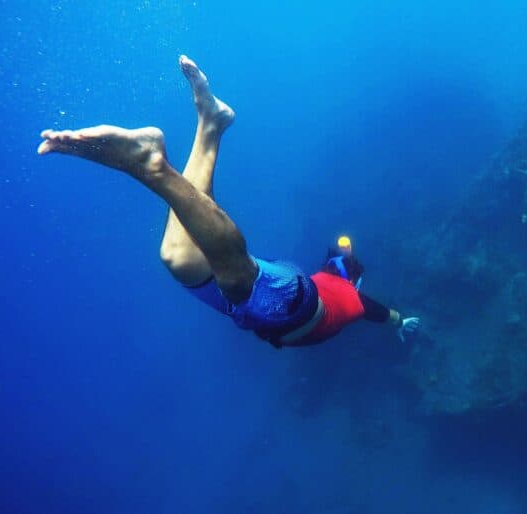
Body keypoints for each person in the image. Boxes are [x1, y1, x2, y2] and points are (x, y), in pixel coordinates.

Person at [37, 55, 420, 348]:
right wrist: (399, 322)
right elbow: (375, 309)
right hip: (295, 305)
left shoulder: (336, 279)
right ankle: (149, 167)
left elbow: (364, 290)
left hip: (275, 298)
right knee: (239, 279)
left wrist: (391, 313)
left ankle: (211, 124)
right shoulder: (351, 299)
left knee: (178, 258)